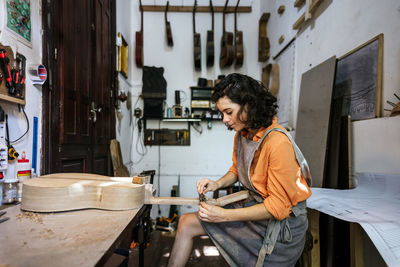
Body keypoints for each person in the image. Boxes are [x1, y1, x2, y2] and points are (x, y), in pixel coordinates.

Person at [168, 73, 312, 267]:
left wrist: (224, 215)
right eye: (222, 113)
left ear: (248, 105)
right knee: (186, 223)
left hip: (281, 230)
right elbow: (237, 170)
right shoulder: (243, 134)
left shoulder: (277, 142)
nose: (225, 119)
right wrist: (217, 183)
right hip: (257, 212)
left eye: (228, 112)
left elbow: (278, 207)